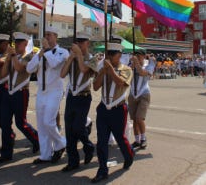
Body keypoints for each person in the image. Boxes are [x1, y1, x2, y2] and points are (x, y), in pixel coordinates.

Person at [92, 43, 134, 183]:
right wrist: (103, 71)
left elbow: (121, 83)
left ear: (120, 55)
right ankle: (102, 170)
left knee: (120, 138)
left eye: (113, 54)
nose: (109, 56)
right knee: (102, 141)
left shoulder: (126, 69)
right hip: (104, 108)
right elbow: (96, 87)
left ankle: (129, 156)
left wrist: (110, 70)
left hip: (118, 109)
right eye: (108, 54)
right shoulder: (103, 69)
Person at [27, 26, 69, 164]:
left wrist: (47, 52)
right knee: (41, 124)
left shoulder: (62, 52)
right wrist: (40, 54)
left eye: (50, 35)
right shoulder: (41, 52)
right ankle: (45, 154)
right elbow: (29, 69)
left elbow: (55, 64)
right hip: (41, 92)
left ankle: (61, 143)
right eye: (45, 35)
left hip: (54, 91)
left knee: (48, 121)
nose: (47, 37)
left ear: (56, 36)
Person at [0, 32, 39, 164]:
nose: (17, 44)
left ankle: (37, 139)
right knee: (4, 122)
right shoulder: (11, 57)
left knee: (21, 123)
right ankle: (6, 153)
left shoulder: (29, 56)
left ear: (25, 43)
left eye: (20, 42)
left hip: (21, 93)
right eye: (16, 42)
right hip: (9, 92)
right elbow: (2, 75)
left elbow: (20, 69)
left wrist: (12, 56)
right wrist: (8, 60)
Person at [60, 32, 97, 172]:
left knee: (78, 127)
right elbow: (62, 74)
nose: (79, 44)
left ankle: (88, 147)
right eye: (78, 42)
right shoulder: (73, 57)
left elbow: (84, 69)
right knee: (69, 130)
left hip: (83, 97)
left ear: (87, 43)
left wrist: (79, 55)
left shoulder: (93, 59)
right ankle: (73, 161)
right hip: (71, 97)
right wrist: (70, 58)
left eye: (82, 42)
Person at [128, 49, 156, 150]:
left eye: (139, 56)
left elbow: (143, 73)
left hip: (144, 93)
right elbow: (126, 75)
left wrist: (136, 64)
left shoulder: (149, 64)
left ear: (144, 56)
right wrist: (131, 65)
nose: (137, 58)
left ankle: (143, 139)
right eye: (135, 55)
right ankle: (137, 140)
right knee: (134, 119)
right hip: (132, 94)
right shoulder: (131, 65)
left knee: (139, 118)